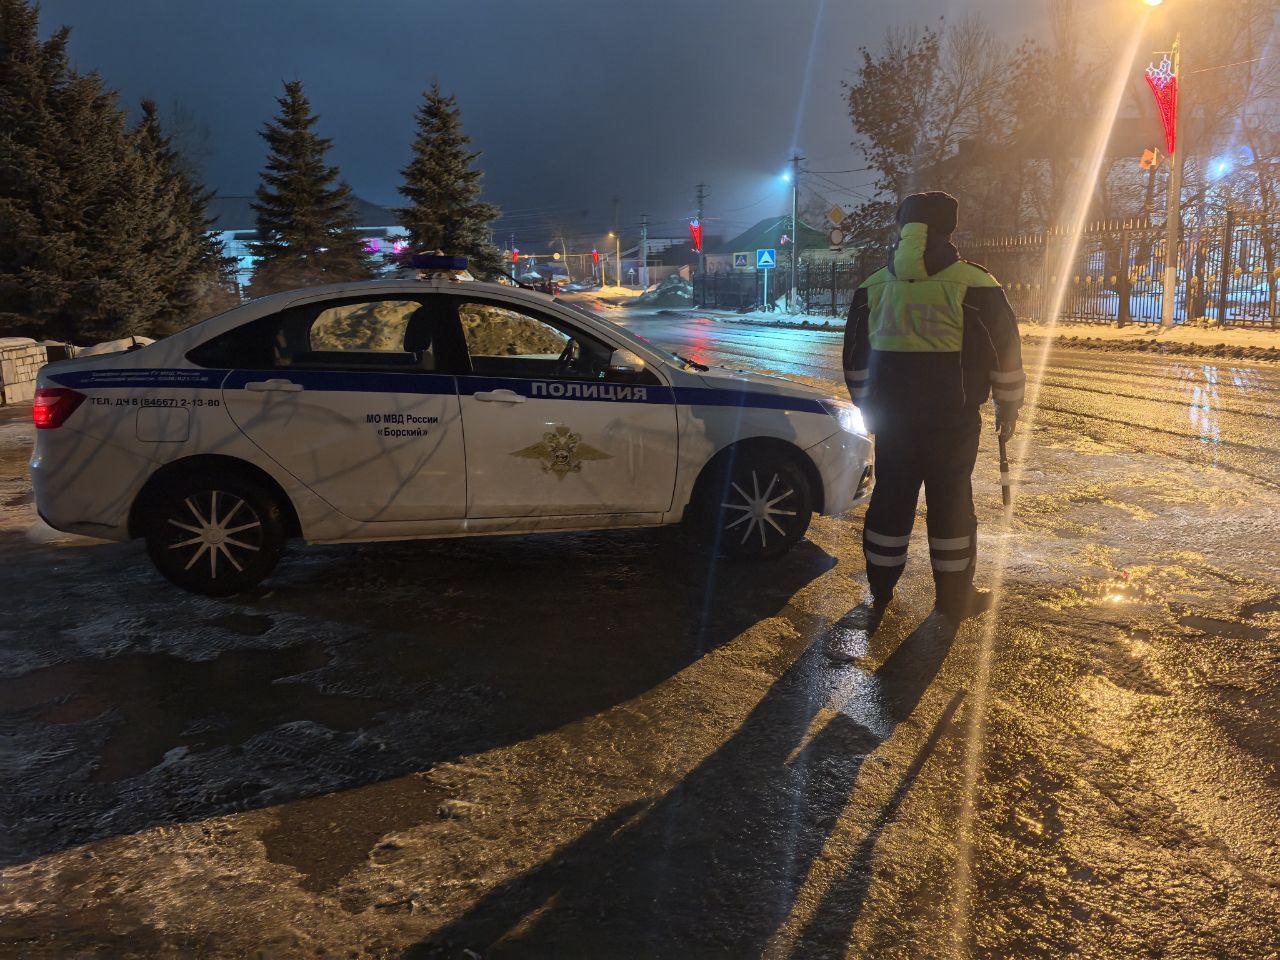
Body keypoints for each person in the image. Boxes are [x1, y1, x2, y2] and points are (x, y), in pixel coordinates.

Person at [842, 192, 1024, 626]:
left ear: (901, 229)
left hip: (894, 421)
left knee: (890, 501)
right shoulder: (976, 284)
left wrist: (868, 407)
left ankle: (881, 589)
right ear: (949, 229)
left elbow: (854, 360)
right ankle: (954, 598)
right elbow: (1005, 353)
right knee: (952, 503)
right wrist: (1008, 406)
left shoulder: (873, 287)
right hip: (953, 422)